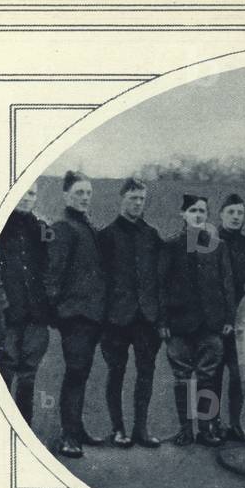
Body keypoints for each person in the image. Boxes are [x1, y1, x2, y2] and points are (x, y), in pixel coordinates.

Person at [158, 195, 236, 447]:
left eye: (202, 210)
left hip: (211, 324)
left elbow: (227, 284)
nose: (198, 215)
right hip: (178, 324)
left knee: (208, 376)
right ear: (183, 214)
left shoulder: (218, 246)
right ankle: (185, 430)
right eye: (193, 210)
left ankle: (206, 428)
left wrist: (228, 317)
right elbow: (161, 286)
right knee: (182, 376)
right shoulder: (170, 246)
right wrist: (162, 322)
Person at [44, 171, 107, 458]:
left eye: (88, 193)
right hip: (74, 316)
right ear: (66, 195)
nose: (85, 198)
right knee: (75, 372)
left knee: (81, 373)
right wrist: (58, 313)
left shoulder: (87, 227)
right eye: (79, 193)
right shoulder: (63, 227)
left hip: (91, 316)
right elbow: (53, 273)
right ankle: (68, 436)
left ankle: (77, 428)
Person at [97, 178, 163, 449]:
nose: (137, 203)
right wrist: (103, 318)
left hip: (147, 318)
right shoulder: (106, 236)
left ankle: (141, 429)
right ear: (122, 199)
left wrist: (158, 315)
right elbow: (99, 280)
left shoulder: (152, 235)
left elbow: (159, 278)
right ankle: (118, 429)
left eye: (141, 199)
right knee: (116, 373)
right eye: (133, 198)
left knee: (146, 373)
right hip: (116, 319)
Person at [0, 183, 51, 427]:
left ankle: (24, 427)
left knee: (28, 375)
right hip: (8, 315)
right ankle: (1, 426)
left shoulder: (41, 228)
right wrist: (1, 304)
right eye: (23, 194)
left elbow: (51, 265)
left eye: (32, 194)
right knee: (4, 369)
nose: (27, 198)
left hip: (35, 315)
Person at [213, 192, 245, 442]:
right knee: (212, 375)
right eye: (231, 212)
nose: (235, 217)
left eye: (240, 213)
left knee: (238, 374)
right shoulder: (209, 242)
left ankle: (235, 423)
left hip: (241, 320)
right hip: (214, 320)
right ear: (221, 214)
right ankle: (212, 425)